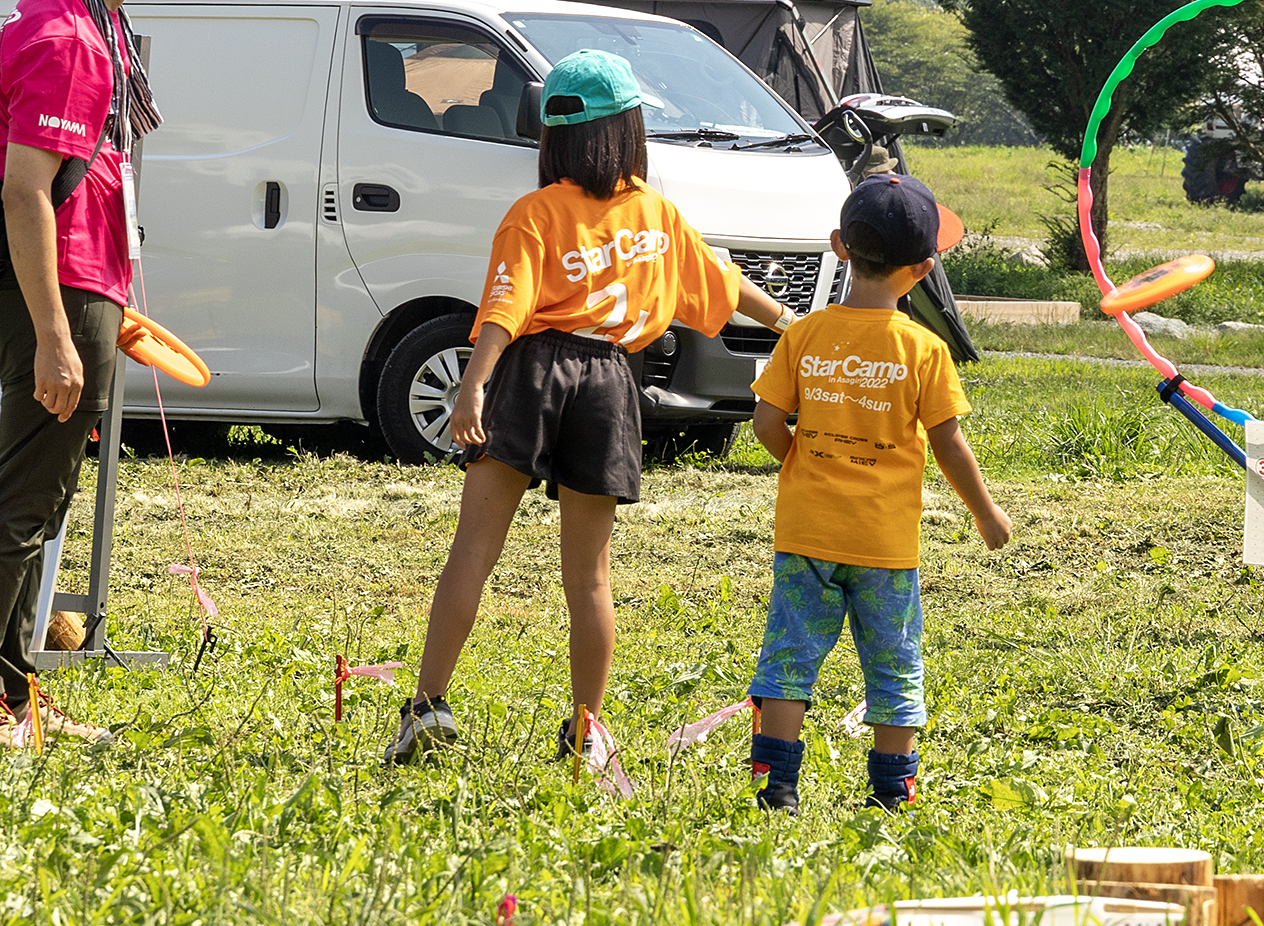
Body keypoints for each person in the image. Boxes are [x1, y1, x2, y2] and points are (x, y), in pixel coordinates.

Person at [385, 49, 798, 764]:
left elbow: (506, 307)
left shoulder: (535, 213)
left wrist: (473, 384)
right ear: (629, 129)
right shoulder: (657, 216)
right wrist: (795, 325)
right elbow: (723, 284)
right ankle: (588, 732)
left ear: (554, 137)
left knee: (473, 552)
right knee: (591, 576)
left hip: (532, 372)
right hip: (610, 380)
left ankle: (426, 709)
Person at [0, 0, 230, 742]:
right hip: (52, 292)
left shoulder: (75, 12)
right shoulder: (68, 37)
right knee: (22, 500)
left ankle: (9, 696)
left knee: (35, 498)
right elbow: (28, 192)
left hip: (72, 283)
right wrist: (59, 335)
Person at [745, 174, 1012, 814]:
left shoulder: (803, 334)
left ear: (840, 246)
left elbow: (765, 423)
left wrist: (802, 465)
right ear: (922, 269)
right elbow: (949, 445)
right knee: (895, 665)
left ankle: (777, 788)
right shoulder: (924, 349)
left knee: (789, 657)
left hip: (806, 534)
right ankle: (892, 793)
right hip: (885, 546)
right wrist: (986, 514)